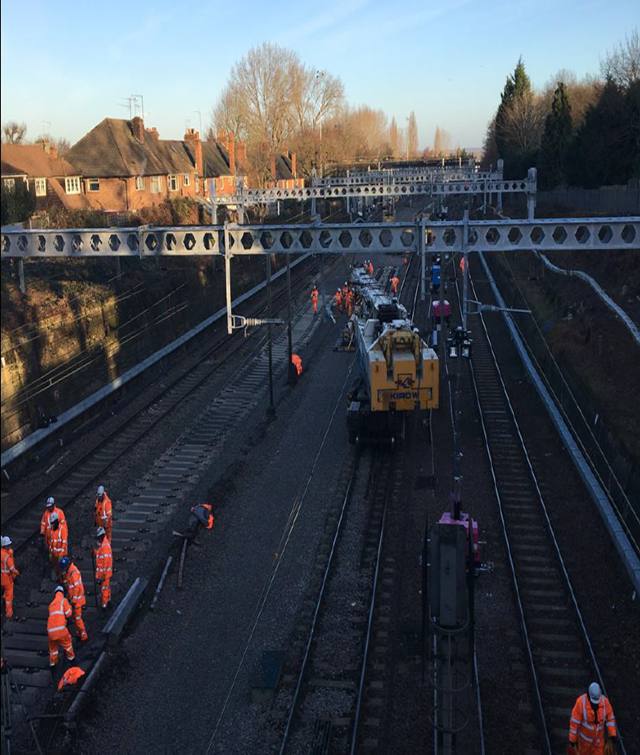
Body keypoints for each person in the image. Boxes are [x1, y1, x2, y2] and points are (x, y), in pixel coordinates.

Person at [568, 683, 617, 754]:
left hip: (599, 744)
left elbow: (610, 719)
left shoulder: (605, 702)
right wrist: (572, 741)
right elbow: (574, 723)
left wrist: (612, 735)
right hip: (584, 744)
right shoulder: (581, 702)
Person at [59, 557, 88, 642]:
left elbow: (77, 588)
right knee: (76, 619)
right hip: (75, 600)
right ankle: (80, 634)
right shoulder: (69, 571)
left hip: (77, 601)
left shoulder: (73, 573)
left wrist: (74, 601)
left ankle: (84, 636)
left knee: (78, 619)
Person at [47, 586, 75, 669]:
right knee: (67, 644)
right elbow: (69, 614)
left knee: (53, 648)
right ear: (62, 593)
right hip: (61, 630)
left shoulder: (51, 604)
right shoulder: (63, 601)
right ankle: (72, 660)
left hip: (51, 631)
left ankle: (53, 665)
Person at [94, 527, 113, 610]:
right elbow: (99, 555)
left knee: (104, 589)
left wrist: (103, 574)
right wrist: (94, 551)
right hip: (105, 573)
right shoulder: (103, 545)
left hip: (104, 574)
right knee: (106, 588)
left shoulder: (105, 546)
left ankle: (104, 606)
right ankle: (108, 602)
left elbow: (106, 561)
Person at [1, 536, 19, 619]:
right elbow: (12, 569)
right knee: (9, 596)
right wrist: (17, 573)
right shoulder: (7, 557)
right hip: (6, 579)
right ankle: (9, 613)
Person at [48, 512, 68, 576]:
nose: (52, 525)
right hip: (55, 556)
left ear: (56, 522)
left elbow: (64, 543)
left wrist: (61, 555)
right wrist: (50, 552)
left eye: (53, 523)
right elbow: (51, 543)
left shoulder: (62, 530)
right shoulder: (52, 531)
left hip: (62, 556)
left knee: (63, 572)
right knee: (57, 571)